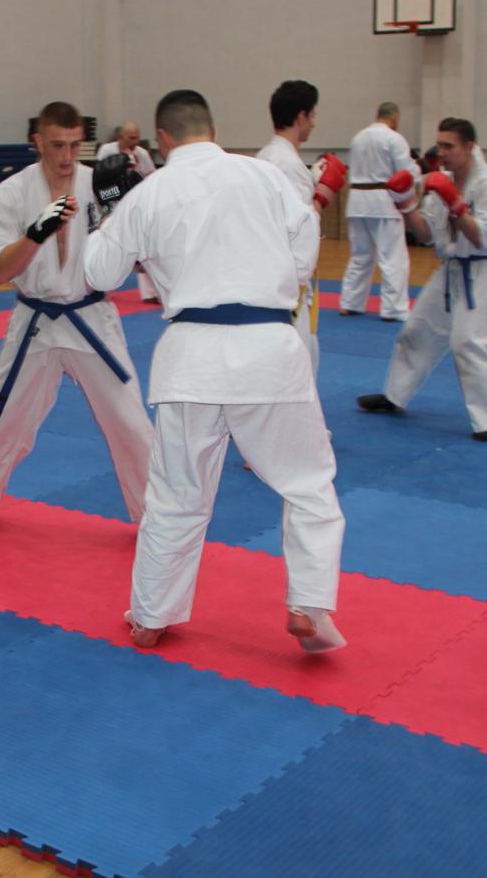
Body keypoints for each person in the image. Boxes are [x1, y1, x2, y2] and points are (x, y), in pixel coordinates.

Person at [84, 89, 347, 653]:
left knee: (176, 493)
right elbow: (304, 258)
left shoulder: (149, 192)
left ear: (162, 138)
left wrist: (109, 212)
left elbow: (99, 274)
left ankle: (151, 616)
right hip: (269, 351)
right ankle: (308, 605)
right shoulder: (265, 176)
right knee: (308, 485)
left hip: (192, 358)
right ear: (213, 129)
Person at [0, 101, 154, 534]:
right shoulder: (13, 192)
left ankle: (152, 516)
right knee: (3, 419)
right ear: (38, 142)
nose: (67, 155)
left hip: (90, 316)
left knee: (130, 421)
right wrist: (35, 235)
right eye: (57, 145)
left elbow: (137, 261)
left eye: (75, 145)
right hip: (35, 321)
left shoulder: (99, 184)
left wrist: (131, 209)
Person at [356, 118, 487, 441]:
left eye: (449, 146)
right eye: (440, 144)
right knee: (417, 330)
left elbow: (481, 238)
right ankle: (394, 395)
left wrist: (455, 203)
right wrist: (405, 204)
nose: (441, 152)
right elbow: (426, 233)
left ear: (469, 147)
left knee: (469, 342)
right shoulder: (441, 180)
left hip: (486, 271)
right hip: (451, 270)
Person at [256, 80, 347, 372]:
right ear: (301, 117)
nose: (314, 123)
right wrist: (322, 197)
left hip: (268, 275)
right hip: (290, 282)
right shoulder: (289, 165)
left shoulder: (265, 157)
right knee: (299, 364)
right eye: (313, 115)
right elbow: (299, 229)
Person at [340, 102, 417, 322]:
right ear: (395, 117)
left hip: (356, 201)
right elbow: (405, 173)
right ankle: (393, 309)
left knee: (361, 255)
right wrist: (418, 171)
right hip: (383, 201)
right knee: (392, 257)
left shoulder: (358, 138)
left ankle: (350, 302)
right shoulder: (394, 138)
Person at [97, 122, 160, 302]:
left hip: (136, 204)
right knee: (110, 246)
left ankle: (151, 293)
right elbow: (100, 178)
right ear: (120, 137)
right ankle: (103, 288)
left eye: (137, 138)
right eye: (131, 138)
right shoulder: (107, 151)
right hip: (113, 202)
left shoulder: (142, 154)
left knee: (145, 246)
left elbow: (152, 177)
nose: (134, 141)